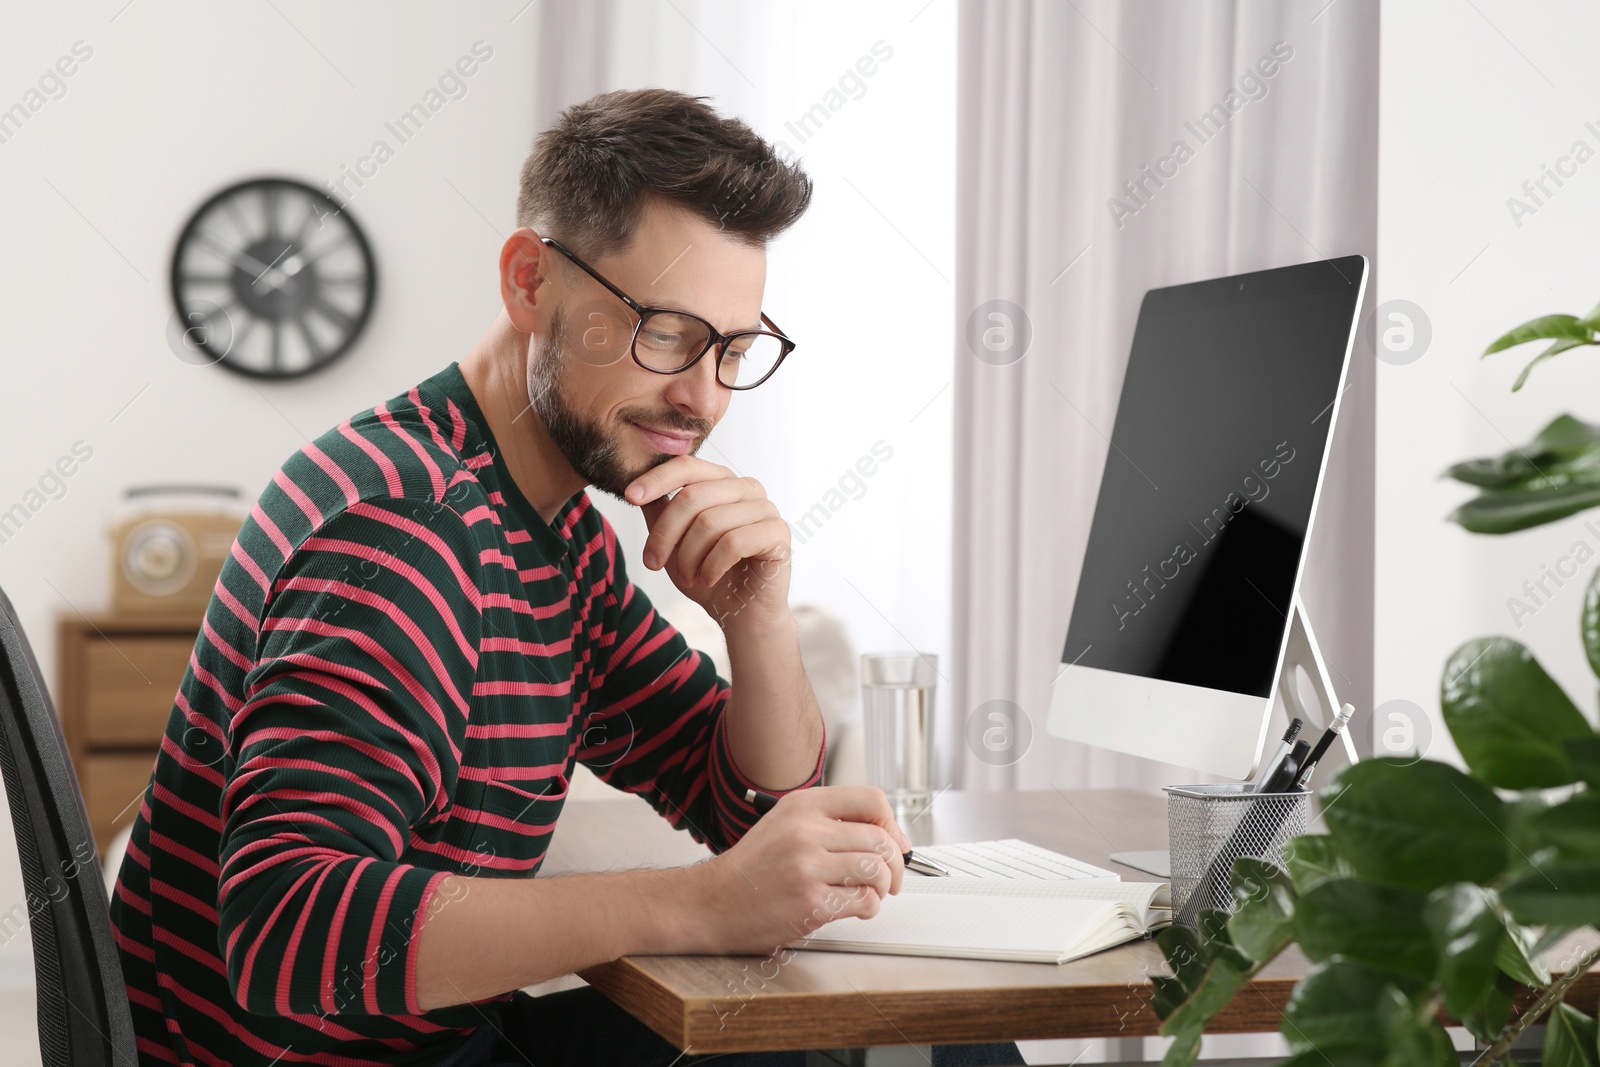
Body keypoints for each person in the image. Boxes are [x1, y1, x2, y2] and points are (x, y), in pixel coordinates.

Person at [108, 88, 1024, 1067]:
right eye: (667, 331)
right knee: (923, 1046)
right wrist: (698, 905)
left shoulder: (549, 529)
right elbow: (290, 935)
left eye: (734, 350)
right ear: (528, 281)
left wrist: (757, 620)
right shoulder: (406, 525)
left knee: (912, 1034)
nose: (702, 394)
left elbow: (748, 812)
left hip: (442, 1046)